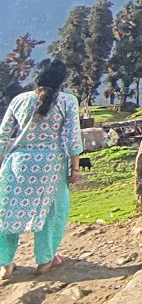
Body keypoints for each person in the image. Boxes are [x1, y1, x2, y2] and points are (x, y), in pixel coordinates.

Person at [0, 59, 83, 280]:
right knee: (51, 212)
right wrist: (75, 169)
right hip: (52, 165)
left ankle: (5, 264)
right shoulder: (67, 101)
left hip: (18, 163)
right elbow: (73, 137)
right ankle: (45, 260)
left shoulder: (20, 100)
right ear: (61, 81)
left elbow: (3, 135)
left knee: (8, 212)